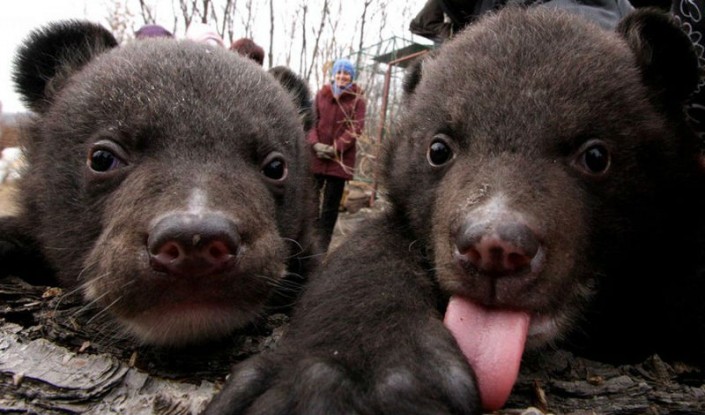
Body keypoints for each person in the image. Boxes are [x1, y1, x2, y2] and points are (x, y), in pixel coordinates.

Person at [307, 58, 366, 250]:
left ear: (351, 76)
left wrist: (336, 148)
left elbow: (356, 128)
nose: (342, 76)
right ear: (334, 75)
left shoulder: (357, 99)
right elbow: (311, 121)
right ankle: (309, 241)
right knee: (311, 201)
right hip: (317, 157)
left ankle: (322, 247)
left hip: (339, 161)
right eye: (339, 72)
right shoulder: (321, 95)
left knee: (330, 207)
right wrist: (315, 144)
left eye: (346, 73)